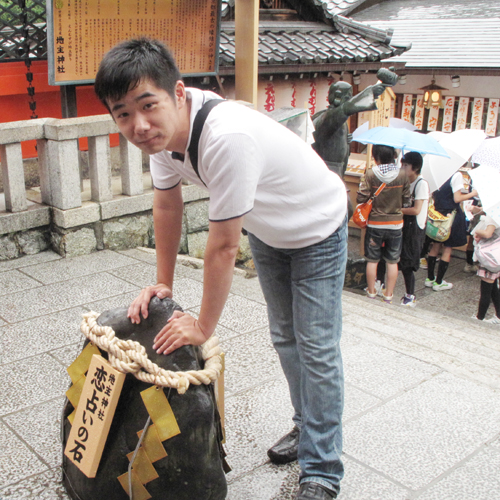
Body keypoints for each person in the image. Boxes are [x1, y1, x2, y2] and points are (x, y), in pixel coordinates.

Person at [94, 38, 348, 500]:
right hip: (270, 230)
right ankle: (307, 427)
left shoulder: (225, 137)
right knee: (286, 338)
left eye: (148, 105)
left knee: (316, 348)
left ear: (179, 93)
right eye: (123, 113)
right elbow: (167, 207)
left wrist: (203, 325)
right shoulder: (163, 139)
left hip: (318, 229)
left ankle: (323, 469)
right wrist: (163, 284)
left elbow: (223, 247)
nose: (139, 124)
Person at [357, 144, 411, 304]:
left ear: (377, 157)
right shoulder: (402, 174)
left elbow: (361, 198)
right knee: (392, 261)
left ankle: (372, 292)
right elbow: (407, 202)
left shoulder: (370, 173)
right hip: (395, 224)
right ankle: (388, 295)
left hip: (375, 223)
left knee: (372, 260)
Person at [425, 171, 478, 291]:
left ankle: (430, 278)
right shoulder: (456, 175)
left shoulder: (438, 174)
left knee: (435, 246)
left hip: (437, 214)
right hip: (450, 216)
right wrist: (473, 193)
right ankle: (438, 282)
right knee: (447, 248)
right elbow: (457, 198)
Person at [399, 152, 429, 307]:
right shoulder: (406, 182)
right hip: (405, 225)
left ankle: (410, 295)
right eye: (401, 164)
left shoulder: (421, 184)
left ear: (415, 167)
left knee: (408, 263)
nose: (402, 168)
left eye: (405, 165)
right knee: (400, 260)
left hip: (415, 228)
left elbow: (417, 210)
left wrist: (397, 210)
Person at [471, 215, 500, 323]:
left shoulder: (494, 216)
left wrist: (478, 231)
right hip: (497, 257)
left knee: (486, 289)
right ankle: (498, 316)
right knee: (493, 288)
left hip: (490, 258)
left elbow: (488, 233)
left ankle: (480, 317)